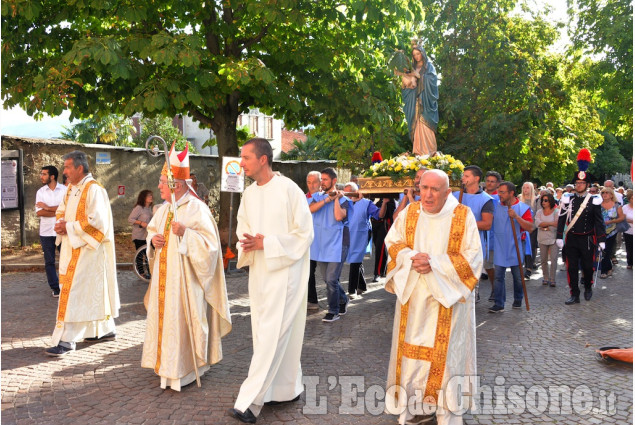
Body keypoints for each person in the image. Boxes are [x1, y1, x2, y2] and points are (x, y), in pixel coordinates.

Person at [383, 170, 482, 425]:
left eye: (435, 189)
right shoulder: (410, 213)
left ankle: (445, 411)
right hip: (413, 299)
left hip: (446, 301)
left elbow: (472, 258)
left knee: (446, 358)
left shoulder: (463, 216)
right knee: (409, 355)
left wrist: (435, 264)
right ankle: (413, 405)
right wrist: (410, 257)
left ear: (447, 192)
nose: (427, 194)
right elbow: (393, 242)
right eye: (423, 188)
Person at [229, 138, 313, 423]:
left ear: (263, 159)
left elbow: (304, 234)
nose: (241, 163)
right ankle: (287, 388)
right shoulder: (248, 194)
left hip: (286, 272)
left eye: (246, 157)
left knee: (273, 333)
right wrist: (248, 243)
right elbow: (244, 227)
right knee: (270, 333)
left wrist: (271, 244)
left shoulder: (289, 189)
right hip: (261, 273)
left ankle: (250, 401)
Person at [142, 143, 231, 391]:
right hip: (164, 281)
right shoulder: (164, 210)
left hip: (187, 283)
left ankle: (187, 369)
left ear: (176, 185)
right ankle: (167, 367)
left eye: (162, 182)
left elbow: (211, 248)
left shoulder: (197, 209)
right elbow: (152, 233)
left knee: (183, 321)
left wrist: (187, 234)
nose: (158, 186)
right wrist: (154, 241)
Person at [45, 151, 120, 356]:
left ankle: (67, 340)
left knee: (75, 293)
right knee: (91, 294)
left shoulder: (94, 189)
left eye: (68, 167)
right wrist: (61, 225)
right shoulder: (71, 188)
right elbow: (61, 210)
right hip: (72, 247)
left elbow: (98, 224)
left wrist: (68, 227)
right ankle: (104, 330)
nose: (64, 171)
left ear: (80, 168)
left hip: (89, 251)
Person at [556, 164, 605, 304]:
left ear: (587, 184)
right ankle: (574, 294)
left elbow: (599, 221)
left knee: (588, 266)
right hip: (571, 238)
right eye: (577, 183)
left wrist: (601, 239)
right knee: (571, 267)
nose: (579, 185)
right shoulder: (568, 199)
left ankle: (588, 287)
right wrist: (559, 236)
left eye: (582, 183)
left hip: (587, 238)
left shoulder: (593, 200)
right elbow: (562, 218)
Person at [308, 168, 350, 323]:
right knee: (327, 279)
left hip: (337, 244)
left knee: (331, 279)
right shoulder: (316, 197)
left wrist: (337, 199)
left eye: (325, 179)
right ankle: (343, 299)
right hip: (320, 245)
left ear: (333, 181)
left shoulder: (344, 200)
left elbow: (339, 216)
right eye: (321, 179)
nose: (322, 182)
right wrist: (327, 199)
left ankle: (333, 311)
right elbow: (309, 210)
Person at [489, 182, 534, 313]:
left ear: (511, 193)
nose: (500, 194)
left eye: (503, 192)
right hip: (500, 246)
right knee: (498, 277)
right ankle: (499, 303)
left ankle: (518, 300)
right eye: (499, 192)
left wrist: (516, 217)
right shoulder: (495, 207)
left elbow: (530, 227)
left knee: (518, 277)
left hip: (516, 246)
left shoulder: (523, 208)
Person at [453, 165, 493, 303]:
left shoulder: (486, 199)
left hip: (474, 243)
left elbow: (487, 224)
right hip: (454, 242)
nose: (463, 178)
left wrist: (464, 223)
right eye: (463, 176)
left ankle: (471, 301)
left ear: (476, 178)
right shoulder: (454, 195)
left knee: (470, 274)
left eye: (466, 176)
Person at [344, 182, 383, 296]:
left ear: (355, 192)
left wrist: (384, 203)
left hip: (362, 234)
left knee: (355, 260)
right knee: (356, 259)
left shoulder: (366, 203)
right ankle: (362, 285)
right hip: (349, 235)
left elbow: (378, 215)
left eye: (349, 193)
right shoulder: (345, 203)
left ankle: (352, 290)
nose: (347, 196)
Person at [400, 44, 439, 156]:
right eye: (414, 55)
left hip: (425, 102)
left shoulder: (429, 67)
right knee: (416, 126)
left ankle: (430, 153)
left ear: (422, 53)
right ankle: (418, 153)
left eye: (418, 53)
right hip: (414, 101)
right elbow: (406, 85)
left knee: (426, 125)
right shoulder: (411, 68)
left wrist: (419, 76)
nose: (417, 56)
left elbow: (432, 81)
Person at [35, 165, 66, 297]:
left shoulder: (65, 190)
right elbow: (39, 212)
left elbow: (66, 210)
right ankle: (55, 288)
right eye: (41, 174)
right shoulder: (40, 192)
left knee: (66, 260)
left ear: (52, 176)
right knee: (49, 262)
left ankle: (66, 285)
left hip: (62, 231)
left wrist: (47, 207)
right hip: (46, 232)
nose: (41, 176)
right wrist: (55, 210)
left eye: (44, 174)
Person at [599, 187, 625, 279]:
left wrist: (611, 222)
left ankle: (604, 271)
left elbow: (622, 218)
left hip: (612, 231)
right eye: (603, 192)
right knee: (601, 250)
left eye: (607, 192)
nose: (604, 194)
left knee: (607, 250)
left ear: (611, 195)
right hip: (599, 231)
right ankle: (609, 268)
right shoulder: (598, 205)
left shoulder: (617, 205)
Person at [305, 171, 321, 311]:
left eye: (314, 182)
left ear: (320, 183)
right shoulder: (303, 198)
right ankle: (312, 300)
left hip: (326, 241)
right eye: (309, 182)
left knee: (330, 276)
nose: (312, 185)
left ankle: (339, 299)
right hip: (310, 241)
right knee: (308, 271)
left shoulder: (328, 197)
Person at [535, 192, 559, 287]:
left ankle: (552, 278)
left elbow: (557, 224)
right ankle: (545, 277)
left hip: (553, 239)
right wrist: (550, 224)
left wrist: (544, 225)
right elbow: (538, 224)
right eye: (542, 200)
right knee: (543, 259)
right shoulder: (539, 212)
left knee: (553, 259)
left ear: (550, 201)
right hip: (542, 238)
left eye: (546, 200)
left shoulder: (556, 212)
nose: (543, 202)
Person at [371, 197, 396, 282]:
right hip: (374, 225)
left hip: (384, 225)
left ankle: (377, 273)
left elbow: (392, 215)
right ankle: (383, 270)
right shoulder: (372, 197)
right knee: (378, 248)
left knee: (379, 249)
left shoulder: (390, 200)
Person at [518, 181, 537, 277]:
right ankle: (523, 265)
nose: (525, 190)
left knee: (531, 247)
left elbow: (538, 214)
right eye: (524, 187)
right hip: (521, 227)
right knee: (522, 246)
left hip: (532, 228)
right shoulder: (519, 199)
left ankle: (529, 268)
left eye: (528, 188)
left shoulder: (536, 200)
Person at [623, 190, 633, 269]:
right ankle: (630, 262)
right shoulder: (625, 207)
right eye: (632, 198)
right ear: (629, 199)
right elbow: (621, 218)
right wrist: (628, 220)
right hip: (628, 231)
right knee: (629, 248)